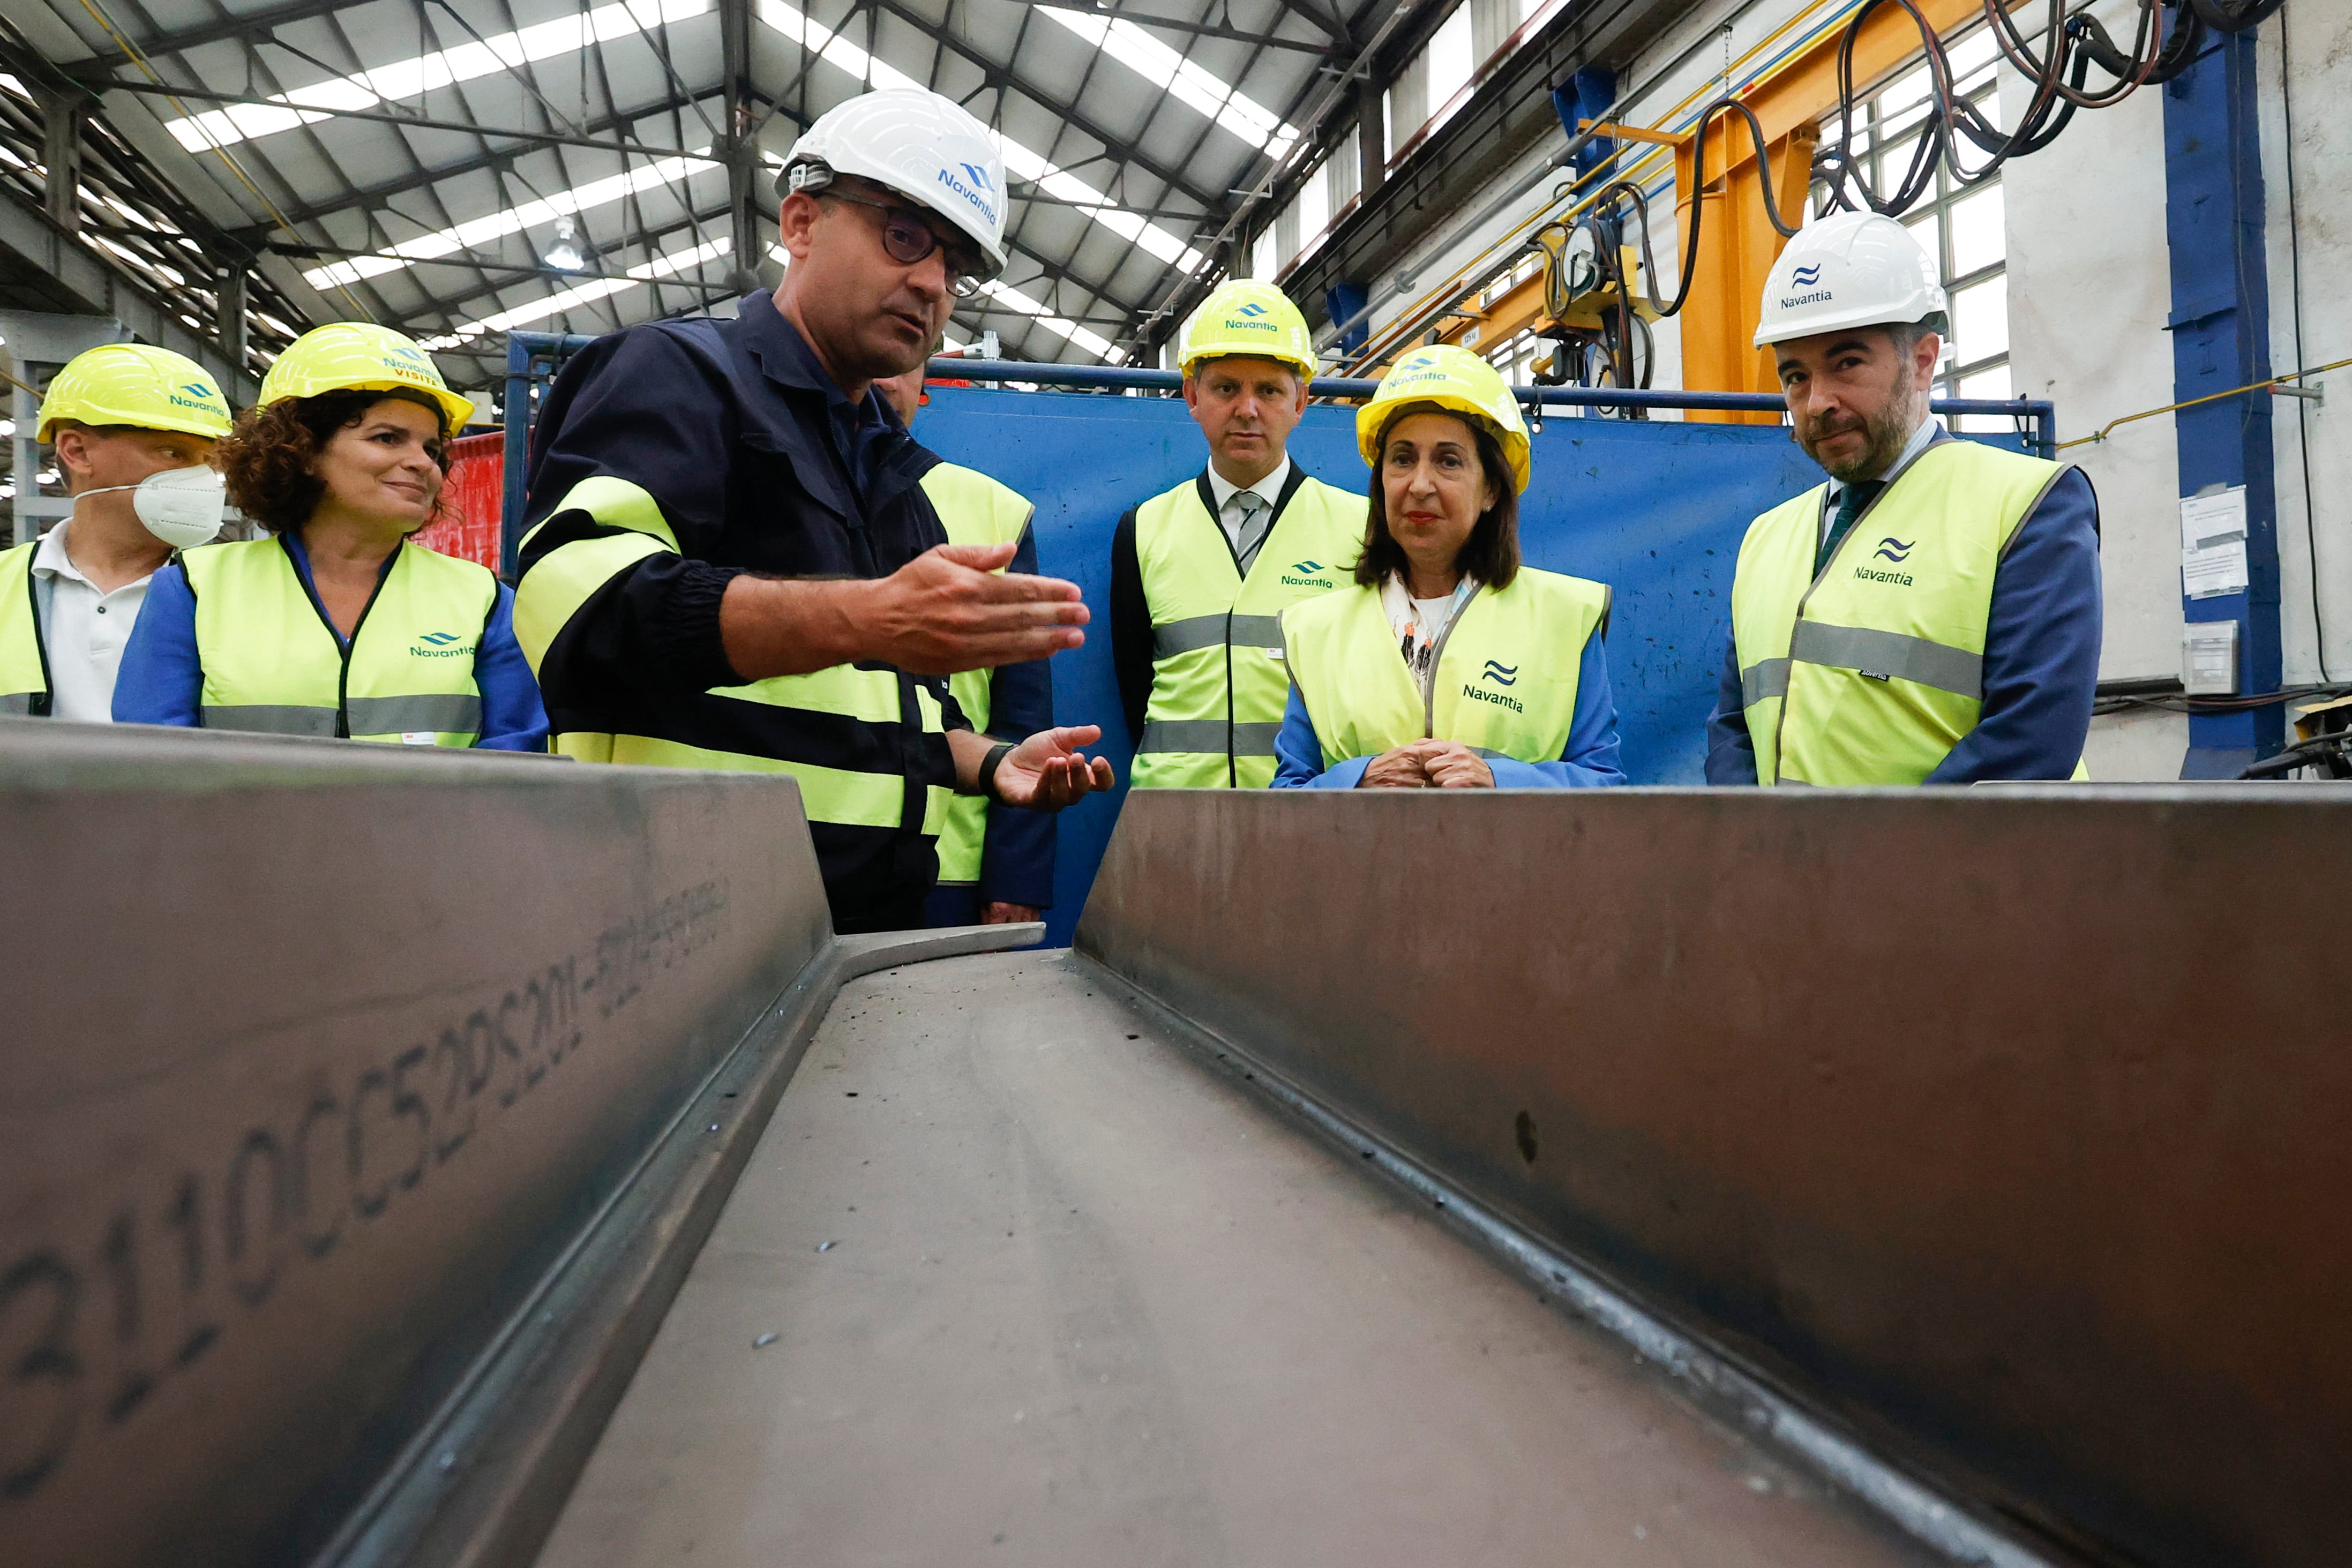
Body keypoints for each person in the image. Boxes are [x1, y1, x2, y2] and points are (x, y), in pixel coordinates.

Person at [512, 87, 1113, 934]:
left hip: (866, 945)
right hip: (673, 938)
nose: (935, 282)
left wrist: (993, 761)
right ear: (799, 222)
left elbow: (887, 720)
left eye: (957, 265)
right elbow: (576, 617)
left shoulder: (881, 464)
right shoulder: (675, 377)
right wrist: (867, 618)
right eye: (905, 235)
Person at [1705, 212, 2100, 785]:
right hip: (1786, 873)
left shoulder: (2027, 506)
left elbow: (2030, 742)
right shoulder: (1766, 537)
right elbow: (1734, 728)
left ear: (1921, 360)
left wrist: (1868, 866)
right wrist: (1754, 850)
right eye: (1795, 375)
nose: (1817, 402)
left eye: (1846, 363)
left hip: (1968, 873)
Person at [113, 322, 548, 751]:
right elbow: (153, 759)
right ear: (302, 450)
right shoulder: (192, 589)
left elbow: (515, 760)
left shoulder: (483, 600)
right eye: (388, 438)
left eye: (431, 449)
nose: (421, 462)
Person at [1274, 345, 1623, 790]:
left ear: (1492, 489)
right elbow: (1287, 796)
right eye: (1402, 459)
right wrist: (1357, 780)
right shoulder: (1317, 630)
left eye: (1448, 461)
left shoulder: (1564, 617)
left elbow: (1605, 785)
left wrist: (1500, 780)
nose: (1420, 485)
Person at [1109, 280, 1361, 788]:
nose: (1248, 408)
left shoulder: (1362, 530)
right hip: (1175, 825)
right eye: (1227, 388)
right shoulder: (1142, 530)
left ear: (1301, 401)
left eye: (1269, 390)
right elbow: (1137, 693)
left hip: (1311, 818)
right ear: (1192, 396)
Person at [875, 363, 1055, 929]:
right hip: (790, 861)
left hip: (948, 872)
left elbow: (1023, 716)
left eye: (900, 357)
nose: (881, 375)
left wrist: (1014, 877)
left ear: (925, 384)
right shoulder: (751, 492)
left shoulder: (992, 513)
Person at [1, 343, 233, 721]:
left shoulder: (233, 591)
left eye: (209, 462)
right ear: (77, 451)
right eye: (173, 453)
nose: (202, 480)